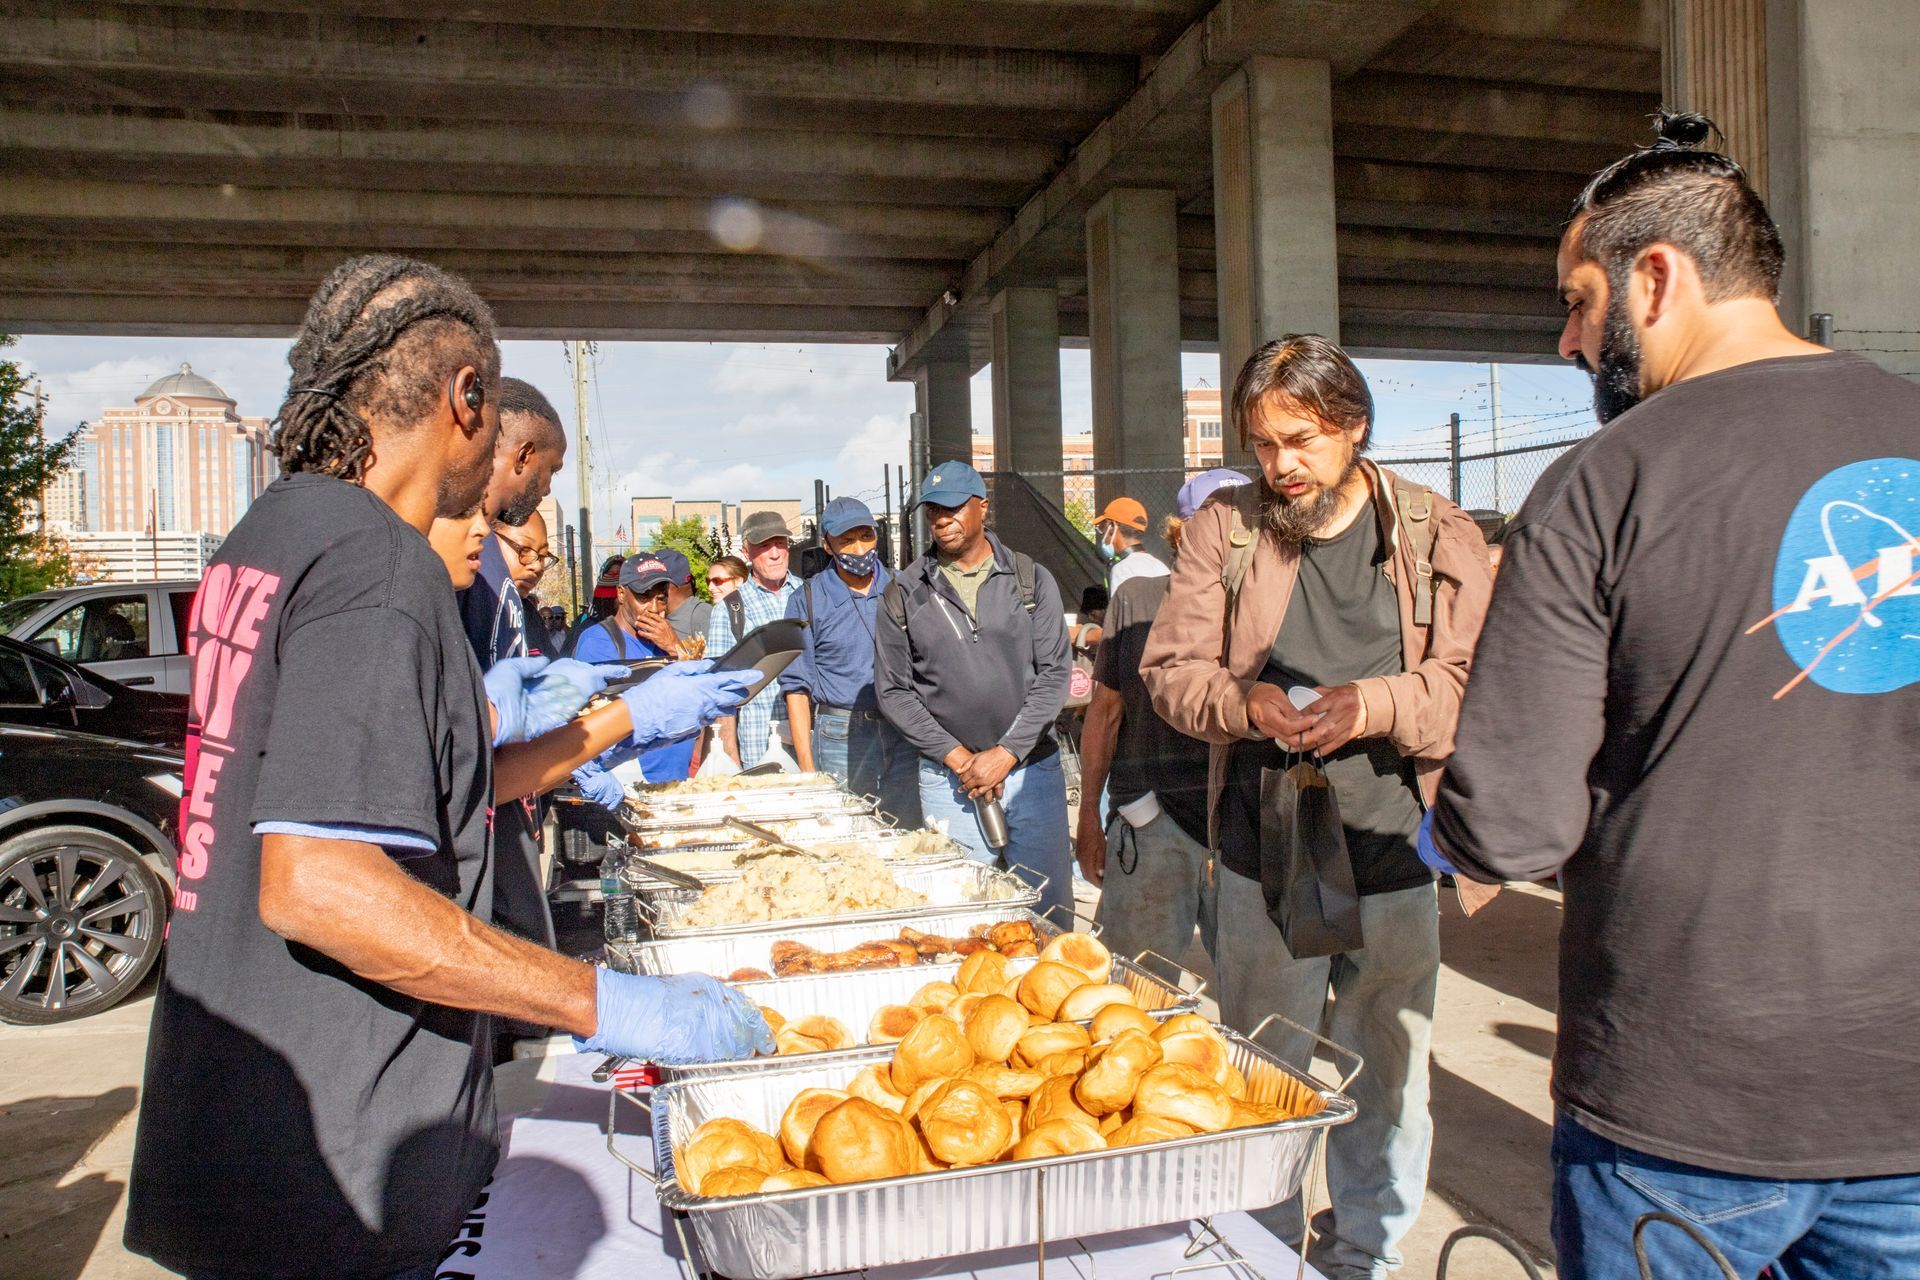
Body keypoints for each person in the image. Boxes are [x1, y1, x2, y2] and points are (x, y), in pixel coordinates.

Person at [126, 254, 769, 1280]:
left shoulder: (268, 533)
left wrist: (615, 721)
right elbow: (321, 882)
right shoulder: (379, 563)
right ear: (465, 395)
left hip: (238, 1118)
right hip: (343, 1158)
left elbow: (415, 794)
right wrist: (602, 1001)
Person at [1421, 111, 1920, 1280]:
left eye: (1577, 300)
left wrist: (1441, 827)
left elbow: (1513, 823)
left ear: (1656, 278)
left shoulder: (1604, 482)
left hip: (1678, 1104)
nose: (1563, 340)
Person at [1141, 335, 1494, 1280]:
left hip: (1392, 855)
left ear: (1355, 428)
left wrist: (1371, 706)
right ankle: (1262, 1258)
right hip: (1268, 859)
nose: (1280, 466)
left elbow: (1474, 684)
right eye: (1263, 445)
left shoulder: (1429, 532)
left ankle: (1364, 1260)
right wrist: (1241, 703)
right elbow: (1170, 672)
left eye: (1301, 442)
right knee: (1268, 1080)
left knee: (1390, 1082)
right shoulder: (1228, 527)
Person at [876, 462, 1073, 919]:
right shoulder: (904, 592)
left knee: (1049, 914)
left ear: (982, 507)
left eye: (953, 508)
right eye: (932, 511)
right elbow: (894, 691)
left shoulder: (1030, 580)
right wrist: (961, 759)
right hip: (950, 781)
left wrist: (1006, 753)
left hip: (1031, 773)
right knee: (961, 915)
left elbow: (1053, 675)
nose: (942, 520)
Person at [1074, 469, 1248, 967]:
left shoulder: (1279, 612)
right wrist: (1089, 815)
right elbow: (1104, 714)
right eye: (1209, 526)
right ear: (1181, 533)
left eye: (1239, 531)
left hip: (1244, 830)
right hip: (1151, 826)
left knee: (1255, 1002)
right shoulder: (1136, 600)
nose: (1225, 544)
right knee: (1130, 993)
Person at [456, 377, 569, 952]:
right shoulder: (465, 562)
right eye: (548, 472)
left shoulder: (491, 573)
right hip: (479, 813)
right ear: (523, 455)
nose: (545, 489)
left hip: (511, 803)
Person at [783, 497, 922, 825]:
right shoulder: (807, 599)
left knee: (906, 835)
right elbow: (796, 688)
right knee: (846, 832)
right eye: (846, 540)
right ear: (828, 545)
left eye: (866, 536)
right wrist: (807, 772)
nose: (859, 548)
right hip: (840, 734)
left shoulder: (903, 587)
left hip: (903, 731)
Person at [568, 553, 703, 795]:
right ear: (621, 594)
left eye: (660, 599)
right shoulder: (599, 640)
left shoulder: (668, 639)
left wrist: (674, 647)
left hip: (677, 781)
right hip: (629, 784)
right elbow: (599, 714)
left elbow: (701, 691)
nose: (653, 609)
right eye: (643, 598)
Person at [705, 511, 802, 767]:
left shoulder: (809, 594)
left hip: (810, 741)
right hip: (759, 744)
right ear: (746, 553)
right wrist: (730, 757)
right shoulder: (730, 609)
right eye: (764, 546)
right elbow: (720, 689)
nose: (775, 553)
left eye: (780, 543)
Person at [493, 507, 559, 656]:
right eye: (525, 549)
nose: (537, 566)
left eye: (542, 557)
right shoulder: (464, 605)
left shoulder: (528, 613)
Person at [1092, 495, 1170, 595]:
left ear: (1113, 527)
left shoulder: (1122, 570)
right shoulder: (1160, 567)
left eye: (1102, 528)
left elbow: (1123, 610)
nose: (1102, 535)